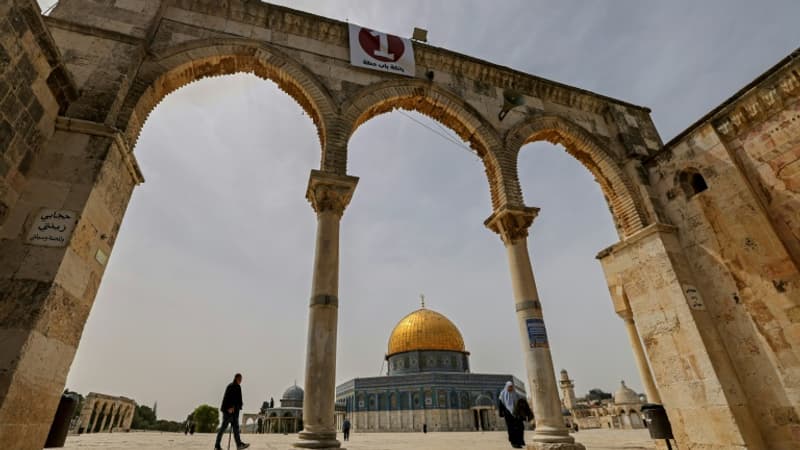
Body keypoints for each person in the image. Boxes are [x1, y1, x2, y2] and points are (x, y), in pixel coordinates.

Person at [214, 373, 250, 450]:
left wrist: (240, 405)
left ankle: (239, 445)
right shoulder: (230, 386)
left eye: (241, 379)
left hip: (235, 412)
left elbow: (238, 399)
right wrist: (229, 408)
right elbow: (226, 398)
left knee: (236, 429)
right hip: (228, 412)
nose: (241, 381)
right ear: (236, 378)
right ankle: (217, 446)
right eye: (240, 379)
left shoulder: (238, 387)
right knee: (223, 428)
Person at [498, 381, 526, 448]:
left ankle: (520, 441)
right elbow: (500, 405)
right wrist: (500, 413)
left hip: (516, 413)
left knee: (520, 427)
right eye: (509, 387)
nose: (511, 388)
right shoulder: (502, 394)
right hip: (508, 414)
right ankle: (514, 442)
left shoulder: (515, 394)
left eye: (511, 387)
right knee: (511, 429)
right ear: (506, 387)